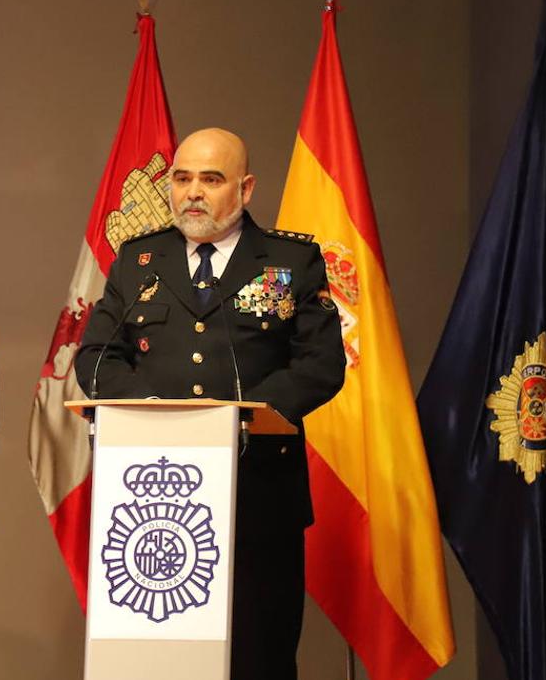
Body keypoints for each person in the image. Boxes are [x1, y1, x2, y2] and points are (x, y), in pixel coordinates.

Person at [75, 127, 346, 679]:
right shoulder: (138, 260)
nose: (192, 191)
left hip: (259, 500)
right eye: (182, 178)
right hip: (153, 500)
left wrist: (236, 419)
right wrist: (154, 410)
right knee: (161, 661)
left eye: (211, 179)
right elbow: (97, 358)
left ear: (245, 190)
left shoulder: (290, 260)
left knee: (260, 657)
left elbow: (321, 365)